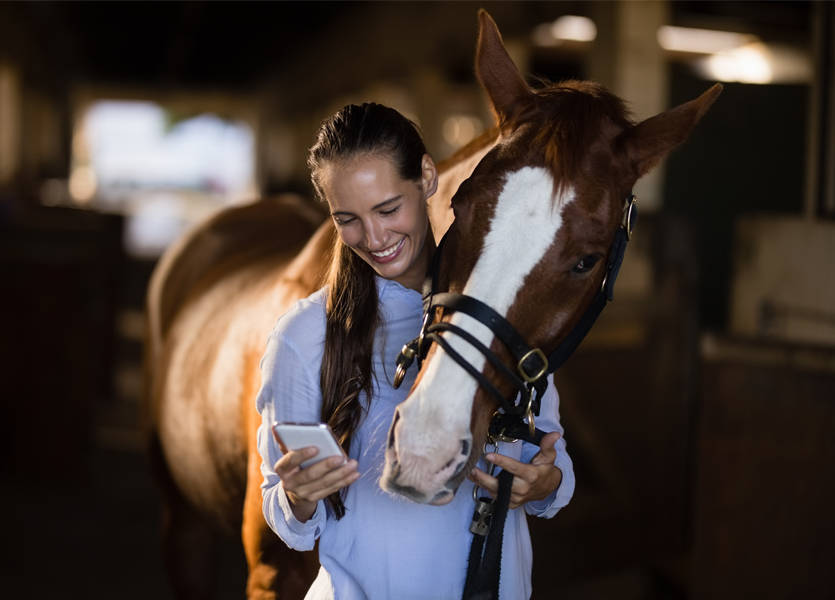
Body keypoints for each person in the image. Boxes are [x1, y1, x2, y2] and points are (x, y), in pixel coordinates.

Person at [255, 102, 575, 599]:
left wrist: (546, 482)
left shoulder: (504, 314)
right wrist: (297, 496)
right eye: (349, 219)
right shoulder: (304, 335)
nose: (375, 237)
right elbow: (283, 516)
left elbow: (550, 454)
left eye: (387, 209)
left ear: (427, 176)